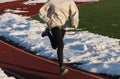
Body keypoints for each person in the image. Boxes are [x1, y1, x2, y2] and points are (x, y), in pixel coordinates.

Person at [39, 0, 79, 75]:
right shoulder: (52, 1)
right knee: (61, 45)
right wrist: (48, 20)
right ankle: (61, 67)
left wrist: (74, 22)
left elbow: (75, 12)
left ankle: (48, 34)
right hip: (54, 24)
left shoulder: (69, 2)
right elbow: (41, 11)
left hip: (63, 26)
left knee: (55, 46)